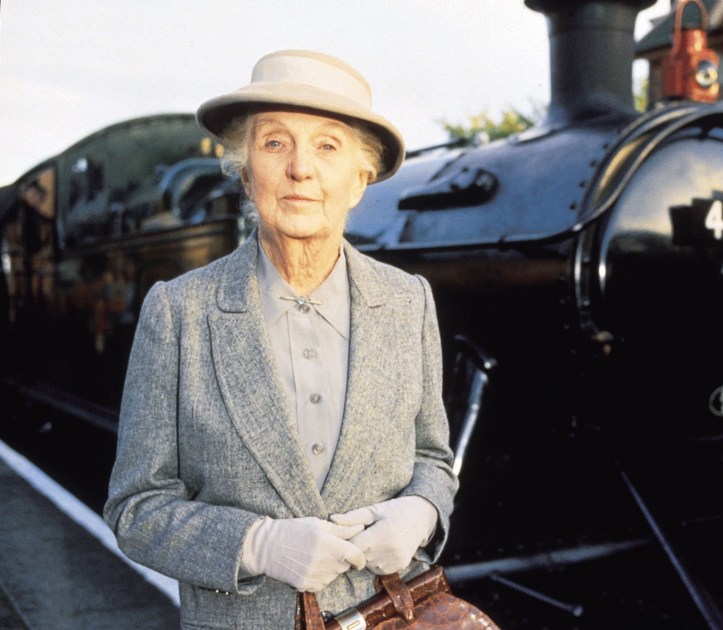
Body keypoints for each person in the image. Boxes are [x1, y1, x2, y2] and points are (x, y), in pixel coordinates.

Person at [103, 50, 458, 629]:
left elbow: (433, 460)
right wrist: (258, 545)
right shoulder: (179, 312)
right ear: (245, 172)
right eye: (274, 143)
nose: (300, 169)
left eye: (327, 146)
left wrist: (421, 512)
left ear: (359, 180)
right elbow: (135, 510)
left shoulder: (408, 301)